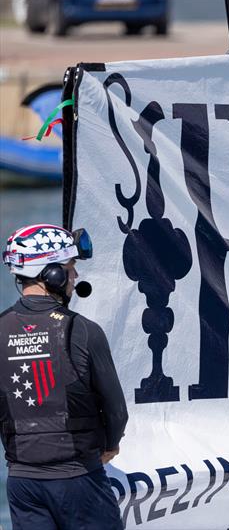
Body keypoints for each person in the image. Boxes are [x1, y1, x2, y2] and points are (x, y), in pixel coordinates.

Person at [1, 224, 128, 529]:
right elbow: (116, 410)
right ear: (52, 275)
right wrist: (110, 446)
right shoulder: (83, 330)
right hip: (78, 478)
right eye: (70, 268)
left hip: (22, 483)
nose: (75, 277)